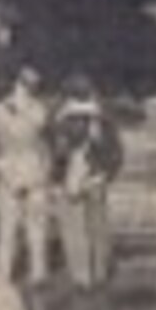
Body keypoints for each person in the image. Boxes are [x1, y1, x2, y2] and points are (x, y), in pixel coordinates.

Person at [0, 68, 54, 285]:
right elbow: (47, 145)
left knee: (7, 228)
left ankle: (3, 273)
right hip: (34, 169)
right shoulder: (40, 111)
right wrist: (51, 171)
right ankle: (38, 273)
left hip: (7, 169)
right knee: (36, 227)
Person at [49, 76, 124, 289]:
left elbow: (53, 152)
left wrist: (54, 179)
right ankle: (99, 272)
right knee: (98, 228)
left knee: (73, 229)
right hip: (96, 176)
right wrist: (107, 175)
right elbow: (116, 152)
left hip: (70, 176)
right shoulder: (103, 120)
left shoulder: (60, 119)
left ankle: (81, 277)